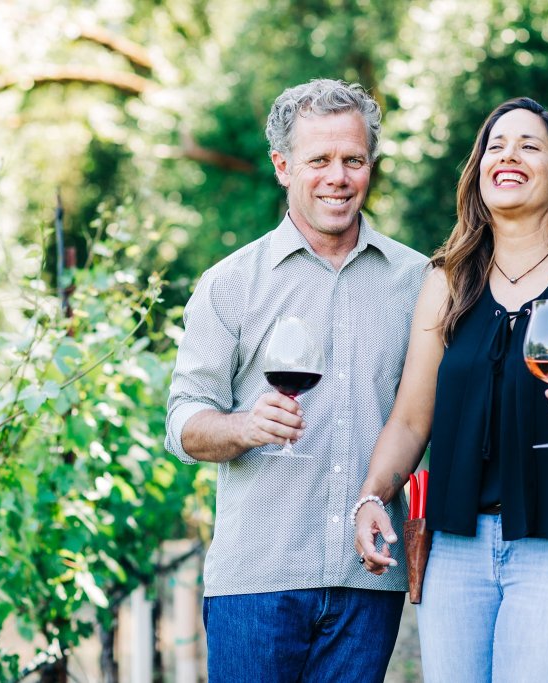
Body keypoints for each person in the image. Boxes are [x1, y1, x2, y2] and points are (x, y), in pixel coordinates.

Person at [353, 97, 548, 682]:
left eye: (529, 145)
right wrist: (373, 495)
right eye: (496, 145)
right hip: (457, 548)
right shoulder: (447, 282)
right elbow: (412, 420)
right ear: (479, 174)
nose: (508, 155)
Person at [165, 79, 429, 682]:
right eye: (319, 161)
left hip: (368, 579)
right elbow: (183, 423)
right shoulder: (230, 285)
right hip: (256, 584)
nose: (338, 176)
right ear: (283, 166)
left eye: (353, 160)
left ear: (370, 166)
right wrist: (243, 426)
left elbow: (425, 417)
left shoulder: (417, 282)